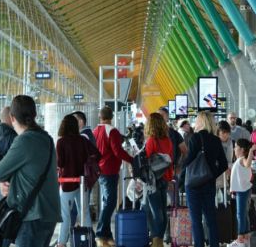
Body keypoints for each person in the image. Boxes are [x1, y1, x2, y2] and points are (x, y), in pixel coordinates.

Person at [0, 95, 61, 247]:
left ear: (12, 117)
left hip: (32, 213)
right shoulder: (47, 139)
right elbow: (32, 169)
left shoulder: (24, 140)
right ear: (35, 115)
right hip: (49, 212)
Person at [184, 111, 229, 247]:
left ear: (201, 121)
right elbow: (224, 164)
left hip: (193, 185)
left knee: (196, 220)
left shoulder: (195, 138)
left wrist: (180, 178)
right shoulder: (216, 140)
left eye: (197, 120)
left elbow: (188, 161)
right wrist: (211, 174)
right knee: (211, 219)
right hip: (209, 185)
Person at [93, 106, 134, 247]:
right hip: (109, 170)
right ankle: (100, 233)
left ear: (100, 116)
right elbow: (118, 151)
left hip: (99, 170)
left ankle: (107, 235)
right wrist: (132, 160)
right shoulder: (112, 131)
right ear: (112, 116)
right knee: (110, 202)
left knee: (107, 201)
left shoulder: (95, 131)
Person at [56, 114, 99, 247]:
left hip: (67, 183)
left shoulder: (61, 142)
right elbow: (97, 154)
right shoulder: (82, 140)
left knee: (65, 215)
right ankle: (88, 241)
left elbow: (60, 163)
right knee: (84, 212)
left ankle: (62, 243)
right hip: (82, 183)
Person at [144, 113, 174, 247]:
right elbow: (170, 161)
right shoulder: (167, 141)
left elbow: (147, 161)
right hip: (164, 179)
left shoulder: (151, 141)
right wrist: (169, 178)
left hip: (153, 181)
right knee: (161, 210)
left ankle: (157, 240)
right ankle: (159, 239)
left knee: (155, 212)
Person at [228, 138, 256, 247]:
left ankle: (240, 239)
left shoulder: (242, 159)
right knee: (243, 214)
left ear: (241, 149)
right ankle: (245, 238)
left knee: (240, 214)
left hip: (243, 191)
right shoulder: (239, 159)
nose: (234, 149)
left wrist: (250, 151)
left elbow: (248, 164)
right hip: (242, 190)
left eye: (236, 147)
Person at [157, 107, 188, 173]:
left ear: (167, 117)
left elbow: (185, 151)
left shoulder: (174, 134)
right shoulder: (153, 134)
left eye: (162, 115)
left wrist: (179, 165)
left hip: (171, 170)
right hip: (157, 171)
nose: (160, 118)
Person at [216, 120, 234, 189]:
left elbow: (231, 159)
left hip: (228, 172)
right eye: (223, 132)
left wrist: (229, 168)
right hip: (217, 173)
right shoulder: (214, 142)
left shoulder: (231, 142)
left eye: (227, 132)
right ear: (218, 132)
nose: (226, 135)